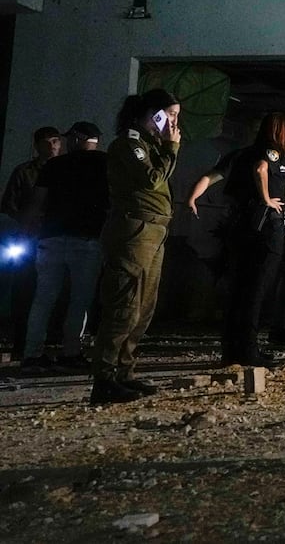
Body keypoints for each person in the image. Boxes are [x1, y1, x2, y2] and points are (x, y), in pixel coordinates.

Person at [91, 89, 181, 405]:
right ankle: (104, 379)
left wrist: (165, 147)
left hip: (154, 231)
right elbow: (151, 180)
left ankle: (123, 374)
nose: (173, 123)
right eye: (169, 115)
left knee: (143, 308)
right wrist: (171, 148)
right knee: (124, 305)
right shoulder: (129, 145)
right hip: (134, 230)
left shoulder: (150, 147)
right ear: (151, 114)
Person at [20, 122, 108, 374]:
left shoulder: (54, 165)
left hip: (52, 239)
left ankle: (32, 355)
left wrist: (27, 229)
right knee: (80, 299)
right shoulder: (106, 163)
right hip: (88, 240)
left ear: (78, 139)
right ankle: (71, 353)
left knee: (44, 298)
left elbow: (37, 201)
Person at [221, 113, 285, 367]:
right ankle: (248, 350)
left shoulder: (243, 153)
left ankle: (233, 349)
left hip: (246, 228)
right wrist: (266, 198)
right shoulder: (272, 153)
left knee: (241, 290)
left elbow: (231, 191)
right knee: (256, 291)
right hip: (266, 229)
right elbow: (261, 169)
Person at [3, 125, 62, 356]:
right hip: (28, 238)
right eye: (47, 142)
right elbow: (9, 203)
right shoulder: (24, 171)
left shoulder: (66, 170)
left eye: (55, 141)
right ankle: (21, 342)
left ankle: (49, 342)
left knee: (54, 289)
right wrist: (28, 220)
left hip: (55, 237)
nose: (52, 146)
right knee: (24, 288)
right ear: (36, 146)